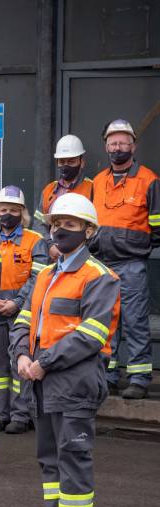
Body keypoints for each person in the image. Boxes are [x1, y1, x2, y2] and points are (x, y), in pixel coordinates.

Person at [10, 193, 120, 507]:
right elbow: (24, 320)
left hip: (75, 383)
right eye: (56, 224)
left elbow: (91, 335)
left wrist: (43, 362)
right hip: (42, 382)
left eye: (69, 225)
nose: (59, 231)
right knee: (51, 463)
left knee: (73, 462)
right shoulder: (45, 274)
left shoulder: (100, 278)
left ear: (88, 231)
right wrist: (21, 354)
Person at [89, 119, 160, 400]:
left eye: (123, 143)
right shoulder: (98, 181)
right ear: (106, 146)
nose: (117, 147)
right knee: (105, 323)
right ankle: (108, 377)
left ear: (133, 146)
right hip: (102, 263)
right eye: (113, 143)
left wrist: (139, 245)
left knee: (135, 322)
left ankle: (139, 379)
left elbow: (157, 224)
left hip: (132, 264)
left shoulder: (149, 180)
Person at [0, 186, 48, 434]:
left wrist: (17, 302)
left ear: (23, 213)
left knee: (19, 364)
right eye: (3, 209)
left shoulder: (35, 240)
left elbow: (37, 278)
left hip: (22, 311)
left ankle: (21, 415)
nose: (7, 214)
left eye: (13, 210)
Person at [32, 135, 93, 257]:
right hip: (51, 255)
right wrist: (51, 246)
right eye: (62, 161)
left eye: (71, 161)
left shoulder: (92, 188)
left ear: (82, 162)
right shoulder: (49, 190)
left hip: (81, 254)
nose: (66, 165)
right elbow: (39, 224)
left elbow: (95, 227)